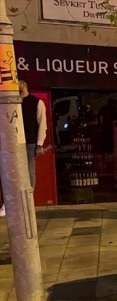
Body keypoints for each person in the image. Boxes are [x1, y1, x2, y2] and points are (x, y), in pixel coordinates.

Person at [1, 81, 48, 218]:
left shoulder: (37, 102)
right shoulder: (13, 103)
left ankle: (28, 198)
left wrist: (39, 144)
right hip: (14, 141)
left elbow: (42, 124)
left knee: (28, 170)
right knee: (11, 170)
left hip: (29, 141)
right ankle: (12, 201)